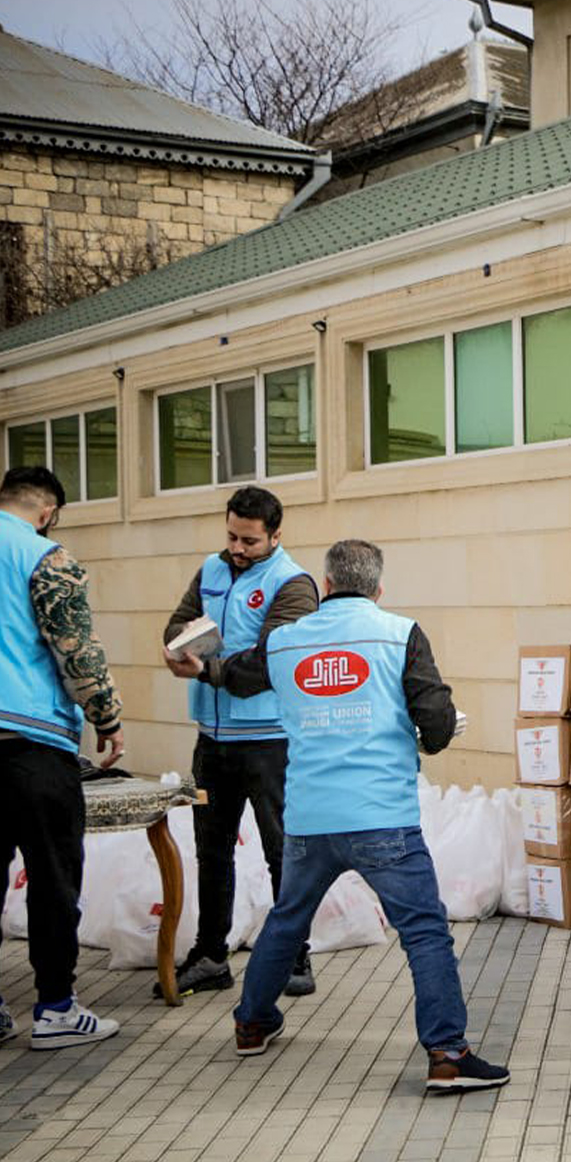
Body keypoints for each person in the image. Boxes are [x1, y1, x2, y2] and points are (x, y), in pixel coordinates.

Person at [169, 539, 508, 1091]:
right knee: (423, 932)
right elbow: (437, 722)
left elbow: (236, 674)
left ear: (325, 587)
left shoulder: (283, 643)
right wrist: (434, 734)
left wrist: (200, 669)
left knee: (287, 919)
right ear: (378, 589)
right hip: (383, 818)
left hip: (308, 818)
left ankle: (252, 1024)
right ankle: (447, 1054)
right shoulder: (399, 633)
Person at [160, 485, 318, 999]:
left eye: (249, 540)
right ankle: (210, 954)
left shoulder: (293, 583)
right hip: (213, 740)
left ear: (275, 535)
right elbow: (178, 624)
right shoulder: (210, 568)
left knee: (282, 852)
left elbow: (271, 661)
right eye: (231, 536)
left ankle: (296, 957)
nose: (237, 548)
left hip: (270, 743)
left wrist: (205, 668)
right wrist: (177, 649)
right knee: (212, 850)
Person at [0, 466, 124, 1049]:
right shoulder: (44, 557)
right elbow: (74, 645)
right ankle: (54, 1009)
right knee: (52, 880)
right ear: (47, 511)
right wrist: (107, 716)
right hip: (31, 742)